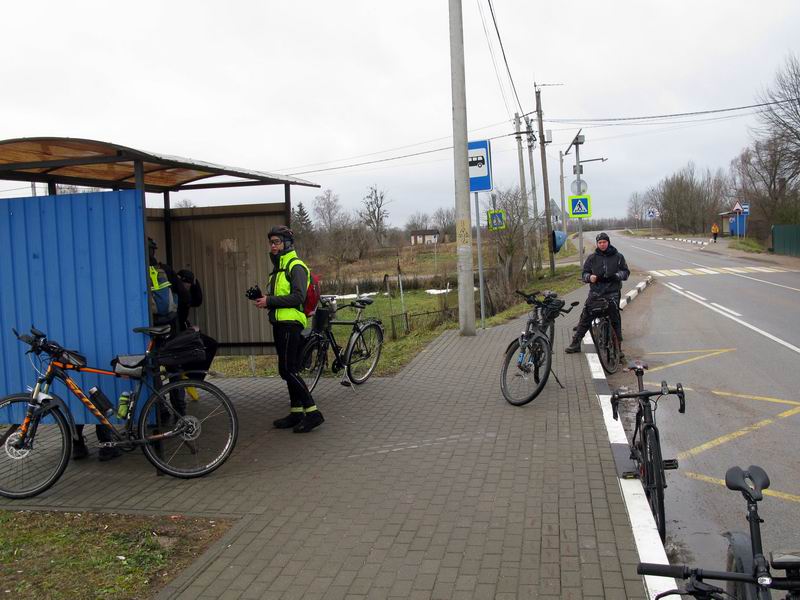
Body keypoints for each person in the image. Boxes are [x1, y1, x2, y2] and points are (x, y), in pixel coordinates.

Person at [253, 225, 324, 433]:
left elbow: (298, 297)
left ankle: (312, 413)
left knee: (287, 370)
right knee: (288, 369)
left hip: (291, 324)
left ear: (287, 243)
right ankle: (296, 412)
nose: (273, 246)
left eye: (276, 242)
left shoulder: (296, 266)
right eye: (271, 242)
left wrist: (270, 300)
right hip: (280, 323)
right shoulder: (279, 268)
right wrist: (265, 300)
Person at [565, 232, 630, 356]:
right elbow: (584, 274)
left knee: (615, 319)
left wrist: (617, 276)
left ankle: (618, 348)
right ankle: (576, 343)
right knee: (586, 316)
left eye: (604, 242)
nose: (602, 244)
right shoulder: (592, 258)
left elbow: (626, 272)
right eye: (600, 242)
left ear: (608, 242)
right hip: (596, 292)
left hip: (612, 292)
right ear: (597, 244)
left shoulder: (618, 257)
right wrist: (589, 277)